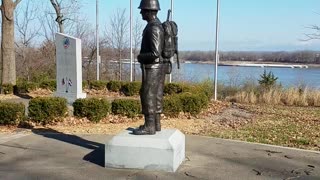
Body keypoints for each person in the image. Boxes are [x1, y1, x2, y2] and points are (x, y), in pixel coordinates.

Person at [133, 0, 166, 135]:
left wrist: (140, 57)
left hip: (152, 68)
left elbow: (155, 53)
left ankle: (149, 126)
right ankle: (156, 124)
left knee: (148, 95)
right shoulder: (155, 26)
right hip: (157, 67)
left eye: (143, 10)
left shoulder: (153, 27)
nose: (141, 12)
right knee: (156, 94)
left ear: (149, 11)